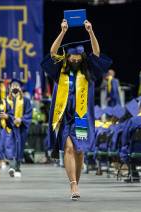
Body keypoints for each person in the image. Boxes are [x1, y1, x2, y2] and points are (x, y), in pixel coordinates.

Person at [41, 19, 112, 200]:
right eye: (72, 56)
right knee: (69, 148)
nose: (74, 58)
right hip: (64, 114)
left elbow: (96, 53)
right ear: (67, 56)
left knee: (79, 151)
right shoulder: (60, 71)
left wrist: (90, 31)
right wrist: (63, 31)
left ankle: (76, 184)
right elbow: (52, 52)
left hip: (82, 116)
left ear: (82, 57)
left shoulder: (88, 71)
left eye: (78, 56)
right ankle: (73, 185)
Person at [5, 79, 32, 178]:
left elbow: (29, 113)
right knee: (10, 146)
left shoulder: (26, 100)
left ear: (21, 88)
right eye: (13, 86)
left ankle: (17, 167)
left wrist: (21, 119)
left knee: (19, 147)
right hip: (10, 127)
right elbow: (3, 113)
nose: (15, 88)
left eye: (17, 86)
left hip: (21, 128)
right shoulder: (5, 100)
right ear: (10, 87)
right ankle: (12, 166)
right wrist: (11, 119)